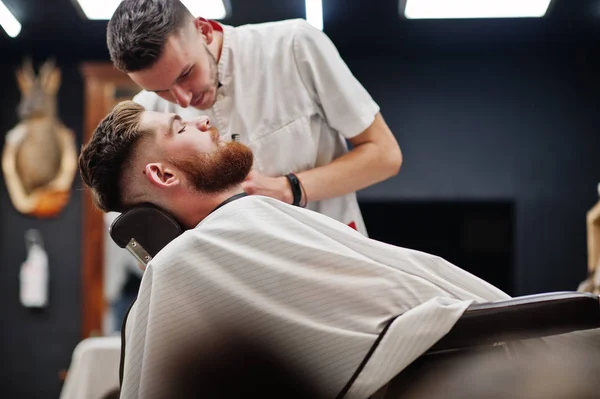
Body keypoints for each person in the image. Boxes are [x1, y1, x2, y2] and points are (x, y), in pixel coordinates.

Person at [79, 100, 532, 398]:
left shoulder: (215, 247)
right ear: (164, 176)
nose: (203, 120)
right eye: (180, 126)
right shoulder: (200, 255)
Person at [105, 0, 403, 236]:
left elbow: (385, 155)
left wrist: (291, 188)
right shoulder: (149, 113)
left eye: (186, 73)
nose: (182, 100)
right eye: (161, 89)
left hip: (336, 250)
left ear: (204, 30)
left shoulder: (293, 45)